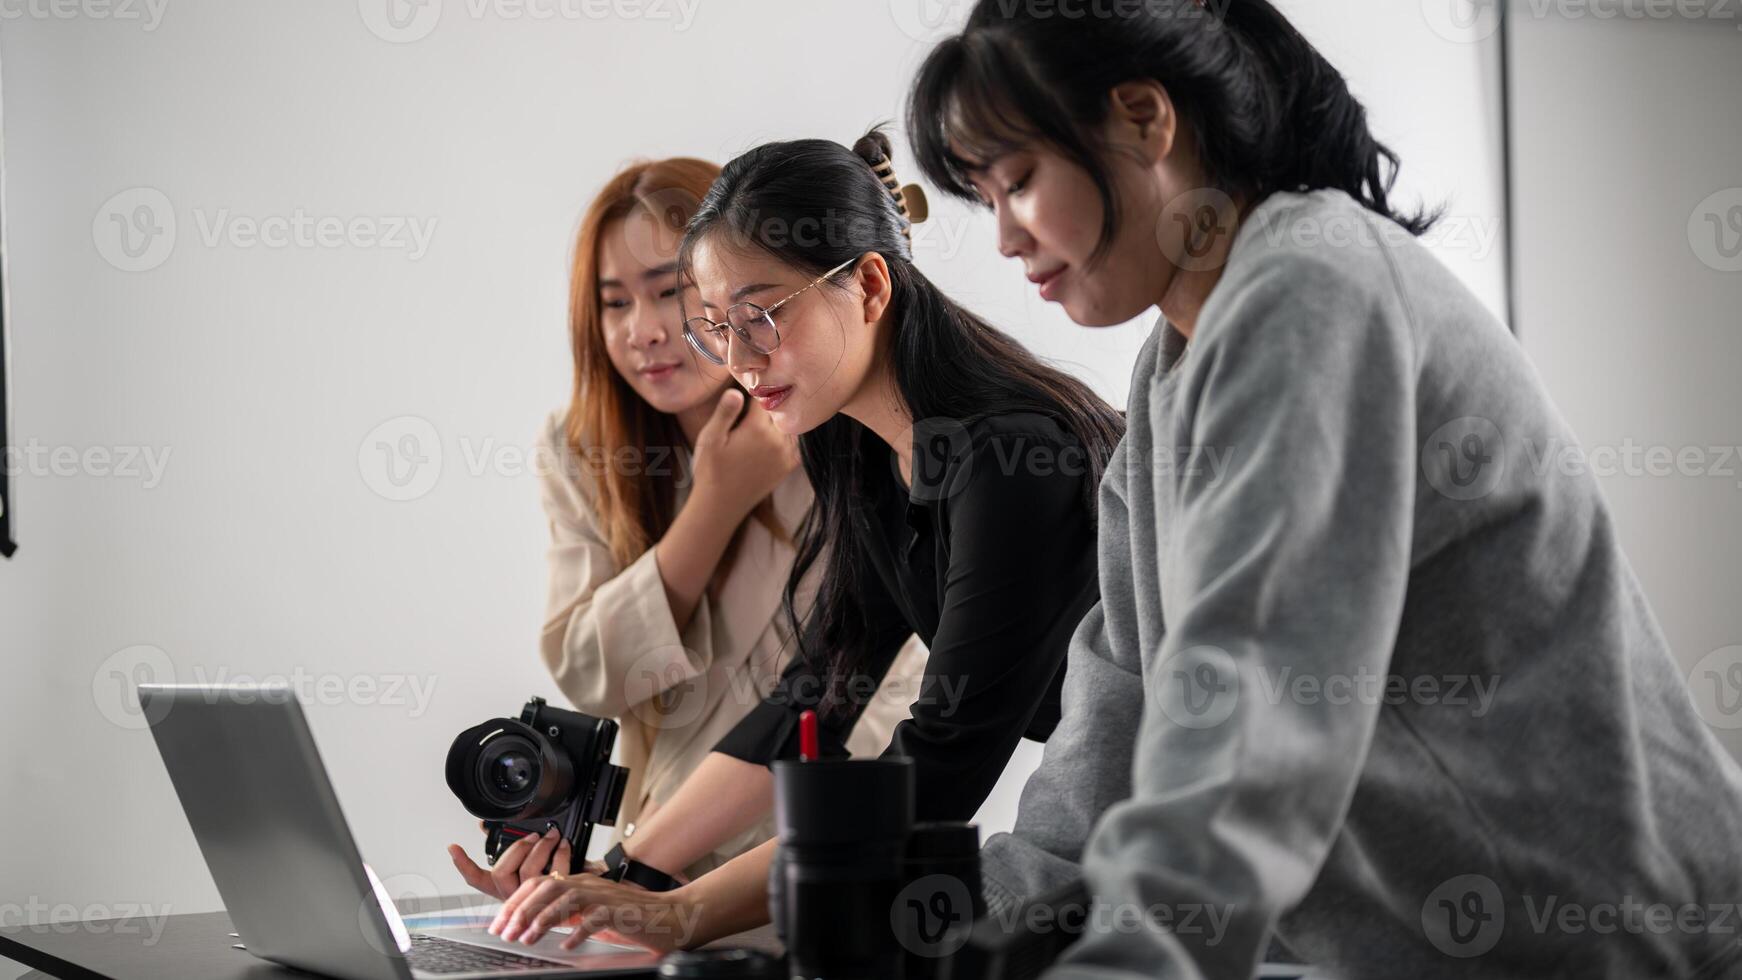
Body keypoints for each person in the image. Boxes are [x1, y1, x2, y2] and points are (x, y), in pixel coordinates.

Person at [901, 1, 1742, 977]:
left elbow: (1251, 712)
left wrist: (1127, 956)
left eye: (1016, 182)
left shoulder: (1309, 287)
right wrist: (955, 926)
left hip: (1617, 938)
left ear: (1142, 119)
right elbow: (1117, 708)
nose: (1002, 237)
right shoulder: (1170, 366)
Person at [483, 129, 1124, 952]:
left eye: (762, 316)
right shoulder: (857, 448)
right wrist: (623, 876)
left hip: (1213, 818)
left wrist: (686, 912)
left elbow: (940, 767)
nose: (741, 359)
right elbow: (813, 694)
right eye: (715, 327)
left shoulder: (1009, 460)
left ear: (867, 284)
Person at [447, 157, 925, 899]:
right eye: (612, 304)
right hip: (648, 853)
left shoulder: (849, 429)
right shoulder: (584, 450)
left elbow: (876, 703)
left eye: (669, 292)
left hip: (808, 861)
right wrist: (716, 504)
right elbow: (590, 673)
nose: (643, 332)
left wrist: (649, 873)